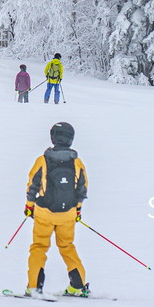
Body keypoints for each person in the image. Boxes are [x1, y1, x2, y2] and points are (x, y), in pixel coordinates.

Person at [24, 121, 89, 297]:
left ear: (53, 137)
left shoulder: (42, 160)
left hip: (44, 213)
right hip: (67, 214)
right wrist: (77, 209)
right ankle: (78, 285)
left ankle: (34, 286)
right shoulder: (77, 162)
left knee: (39, 246)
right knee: (67, 246)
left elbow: (33, 185)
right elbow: (82, 189)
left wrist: (29, 206)